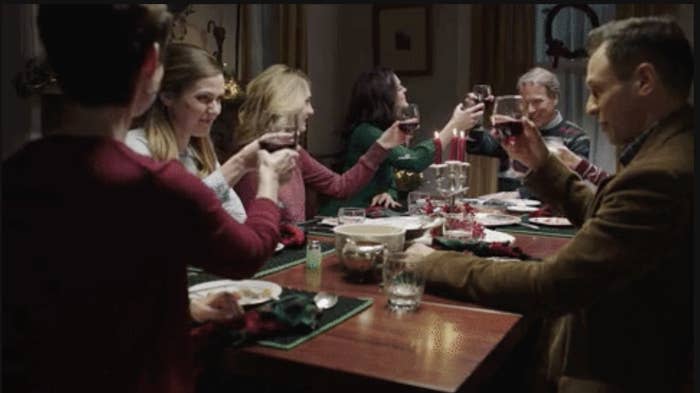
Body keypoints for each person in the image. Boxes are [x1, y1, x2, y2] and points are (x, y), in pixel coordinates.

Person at [2, 5, 299, 393]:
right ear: (152, 67)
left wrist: (185, 307)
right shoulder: (158, 185)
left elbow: (85, 295)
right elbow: (247, 252)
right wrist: (269, 182)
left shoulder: (13, 176)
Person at [407, 16, 693, 392]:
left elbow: (550, 285)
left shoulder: (661, 174)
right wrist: (543, 165)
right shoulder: (672, 146)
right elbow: (607, 212)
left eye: (596, 90)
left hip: (623, 371)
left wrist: (435, 263)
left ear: (644, 81)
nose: (590, 107)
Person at [125, 43, 292, 223]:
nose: (215, 110)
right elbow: (170, 220)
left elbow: (237, 218)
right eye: (203, 98)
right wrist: (240, 163)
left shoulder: (200, 152)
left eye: (219, 99)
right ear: (167, 96)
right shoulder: (135, 148)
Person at [233, 64, 408, 223]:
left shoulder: (294, 152)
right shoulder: (251, 157)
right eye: (307, 102)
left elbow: (340, 186)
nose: (312, 110)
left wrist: (382, 145)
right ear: (288, 104)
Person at [320, 67, 483, 214]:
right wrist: (453, 126)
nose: (405, 89)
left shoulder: (385, 130)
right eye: (398, 88)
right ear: (383, 95)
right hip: (346, 216)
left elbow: (391, 177)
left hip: (371, 212)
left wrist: (388, 192)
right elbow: (414, 161)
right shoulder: (366, 131)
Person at [467, 67, 590, 197]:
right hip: (505, 213)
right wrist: (475, 118)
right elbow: (477, 147)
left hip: (551, 215)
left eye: (537, 102)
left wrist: (520, 195)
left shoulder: (576, 137)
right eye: (525, 103)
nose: (530, 110)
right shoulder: (513, 129)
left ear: (555, 98)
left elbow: (571, 186)